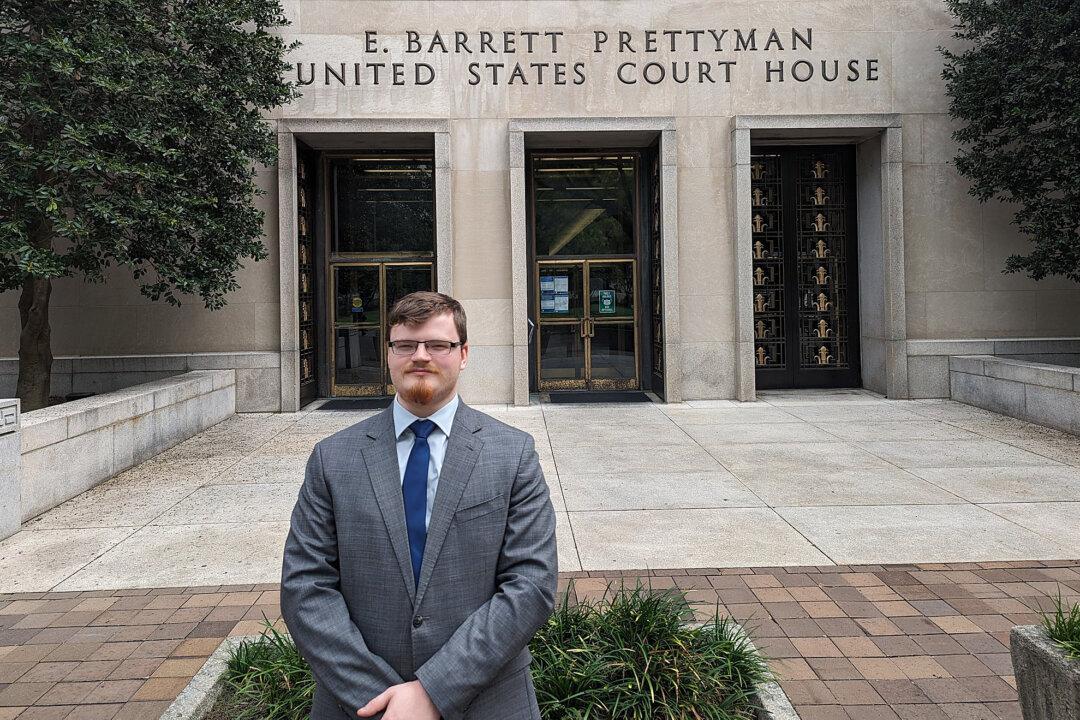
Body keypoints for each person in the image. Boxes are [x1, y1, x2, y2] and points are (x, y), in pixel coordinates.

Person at [281, 291, 558, 720]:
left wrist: (432, 691)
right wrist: (383, 698)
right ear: (389, 353)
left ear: (463, 354)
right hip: (359, 705)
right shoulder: (332, 458)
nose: (420, 356)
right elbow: (305, 588)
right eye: (406, 345)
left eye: (438, 345)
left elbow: (531, 585)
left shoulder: (513, 453)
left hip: (488, 702)